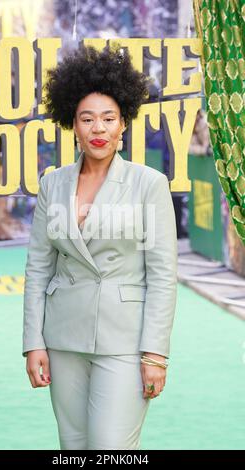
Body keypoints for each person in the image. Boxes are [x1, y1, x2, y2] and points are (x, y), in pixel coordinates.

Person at [22, 45, 178, 450]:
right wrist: (33, 343)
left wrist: (155, 355)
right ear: (72, 124)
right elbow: (39, 268)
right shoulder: (52, 184)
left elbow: (162, 276)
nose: (99, 128)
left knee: (111, 449)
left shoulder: (149, 184)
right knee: (73, 448)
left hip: (125, 341)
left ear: (123, 123)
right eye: (87, 118)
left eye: (109, 118)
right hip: (62, 338)